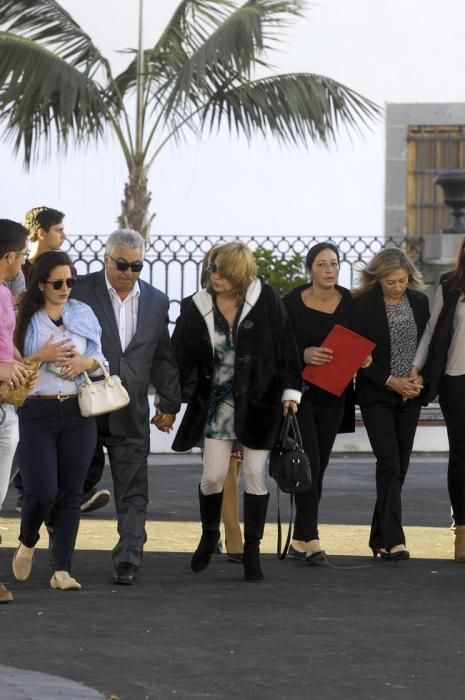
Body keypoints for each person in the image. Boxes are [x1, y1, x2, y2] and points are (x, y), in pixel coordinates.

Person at [172, 241, 302, 582]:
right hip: (215, 406)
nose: (215, 276)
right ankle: (208, 535)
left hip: (260, 403)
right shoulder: (196, 306)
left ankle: (252, 552)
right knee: (213, 476)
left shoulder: (266, 301)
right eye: (213, 269)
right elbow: (178, 356)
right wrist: (171, 401)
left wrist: (291, 392)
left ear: (240, 274)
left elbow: (287, 349)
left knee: (256, 476)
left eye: (224, 271)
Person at [72, 228, 181, 585]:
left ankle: (129, 556)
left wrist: (168, 400)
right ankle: (58, 555)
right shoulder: (78, 291)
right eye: (122, 265)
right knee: (69, 485)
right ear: (106, 260)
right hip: (82, 407)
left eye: (137, 266)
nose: (129, 273)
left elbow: (162, 355)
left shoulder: (157, 301)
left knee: (134, 488)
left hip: (130, 409)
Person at [12, 251, 106, 591]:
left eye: (71, 281)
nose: (65, 287)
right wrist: (42, 357)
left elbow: (101, 358)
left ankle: (62, 569)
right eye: (58, 282)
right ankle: (27, 539)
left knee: (71, 492)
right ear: (41, 284)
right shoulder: (24, 316)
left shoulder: (82, 313)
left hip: (77, 411)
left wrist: (86, 363)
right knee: (41, 492)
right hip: (36, 412)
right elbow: (13, 362)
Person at [351, 249, 429, 561]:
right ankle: (394, 540)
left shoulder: (420, 303)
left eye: (402, 281)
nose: (398, 287)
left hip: (410, 394)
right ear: (377, 278)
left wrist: (418, 380)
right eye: (390, 281)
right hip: (376, 395)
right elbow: (356, 355)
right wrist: (389, 380)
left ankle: (379, 536)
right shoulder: (361, 305)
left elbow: (428, 345)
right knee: (389, 463)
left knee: (400, 467)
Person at [283, 242, 357, 565]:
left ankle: (299, 539)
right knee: (308, 462)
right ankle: (312, 540)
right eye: (322, 264)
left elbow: (360, 339)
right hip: (300, 396)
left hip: (335, 395)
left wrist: (363, 358)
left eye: (334, 264)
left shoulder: (350, 302)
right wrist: (304, 354)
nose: (330, 270)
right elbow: (281, 346)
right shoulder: (292, 302)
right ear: (310, 269)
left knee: (319, 466)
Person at [411, 236, 465, 561]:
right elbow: (432, 330)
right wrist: (417, 367)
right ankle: (462, 532)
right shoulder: (450, 285)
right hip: (456, 382)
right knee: (460, 456)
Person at [0, 219, 30, 603]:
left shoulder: (6, 293)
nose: (24, 263)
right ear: (8, 256)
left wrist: (18, 360)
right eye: (22, 256)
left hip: (6, 408)